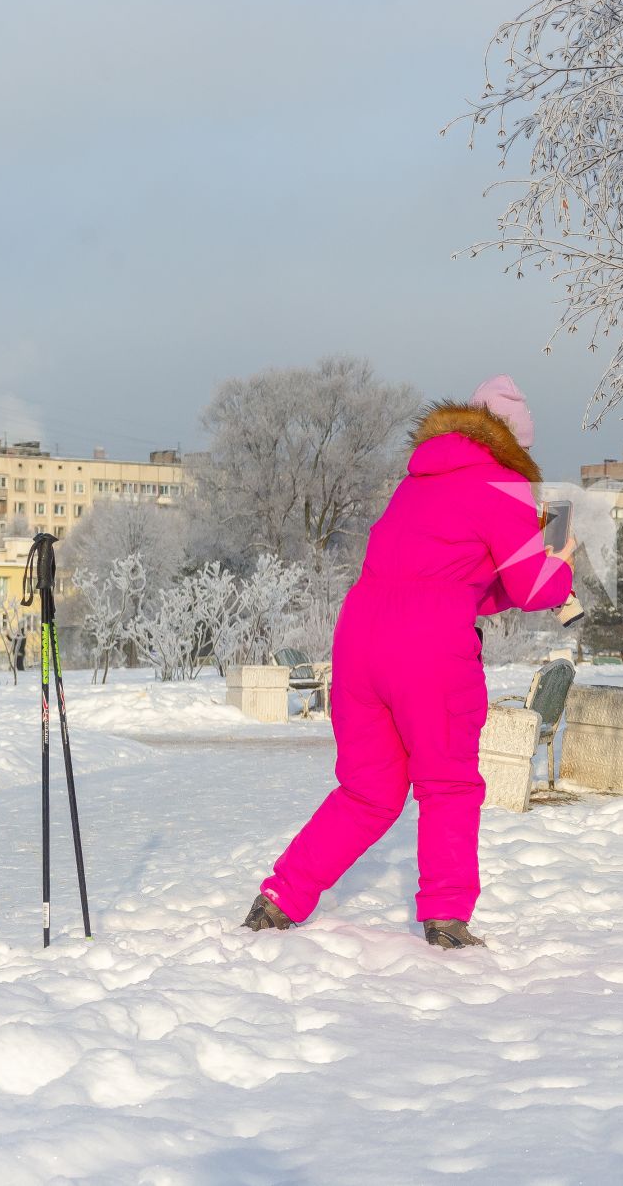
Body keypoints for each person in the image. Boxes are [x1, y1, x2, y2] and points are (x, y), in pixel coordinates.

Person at [242, 375, 577, 949]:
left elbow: (456, 583)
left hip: (360, 639)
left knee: (366, 791)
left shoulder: (417, 482)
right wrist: (561, 564)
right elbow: (530, 588)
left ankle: (280, 898)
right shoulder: (505, 485)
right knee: (448, 784)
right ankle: (446, 918)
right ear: (514, 442)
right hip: (429, 651)